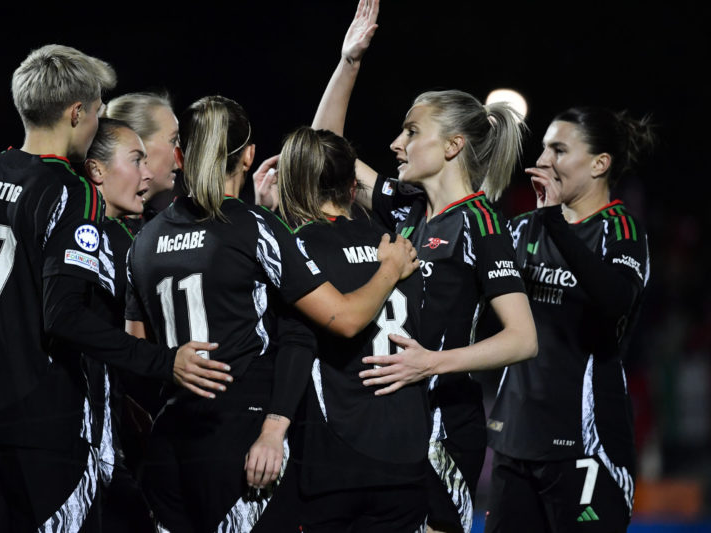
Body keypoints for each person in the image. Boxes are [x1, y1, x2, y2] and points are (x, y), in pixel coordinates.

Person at [0, 44, 208, 531]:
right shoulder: (69, 192)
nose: (96, 125)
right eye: (95, 112)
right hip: (37, 434)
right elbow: (66, 317)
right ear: (76, 113)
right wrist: (164, 362)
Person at [125, 95, 418, 532]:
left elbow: (137, 353)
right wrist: (389, 270)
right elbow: (346, 319)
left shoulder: (143, 239)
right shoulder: (257, 228)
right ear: (248, 155)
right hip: (242, 441)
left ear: (181, 155)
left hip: (171, 442)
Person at [311, 2, 537, 531]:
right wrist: (349, 63)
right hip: (390, 423)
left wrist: (431, 363)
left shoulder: (481, 221)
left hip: (444, 427)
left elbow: (523, 338)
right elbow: (324, 149)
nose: (396, 143)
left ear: (454, 145)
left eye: (412, 132)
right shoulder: (405, 207)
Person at [483, 107, 656, 533]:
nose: (542, 160)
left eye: (559, 150)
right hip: (513, 441)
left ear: (600, 164)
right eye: (543, 148)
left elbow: (615, 300)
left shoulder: (621, 231)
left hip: (586, 444)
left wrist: (556, 223)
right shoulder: (522, 229)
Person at [274, 126, 430, 531]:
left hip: (338, 458)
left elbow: (297, 344)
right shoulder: (398, 246)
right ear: (351, 186)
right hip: (409, 451)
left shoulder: (299, 247)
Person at [83, 117, 157, 531]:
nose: (146, 173)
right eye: (136, 160)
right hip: (91, 444)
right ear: (97, 170)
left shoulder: (128, 238)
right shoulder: (98, 240)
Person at [104, 92, 181, 225]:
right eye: (173, 140)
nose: (180, 151)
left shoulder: (156, 228)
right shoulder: (93, 227)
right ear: (136, 142)